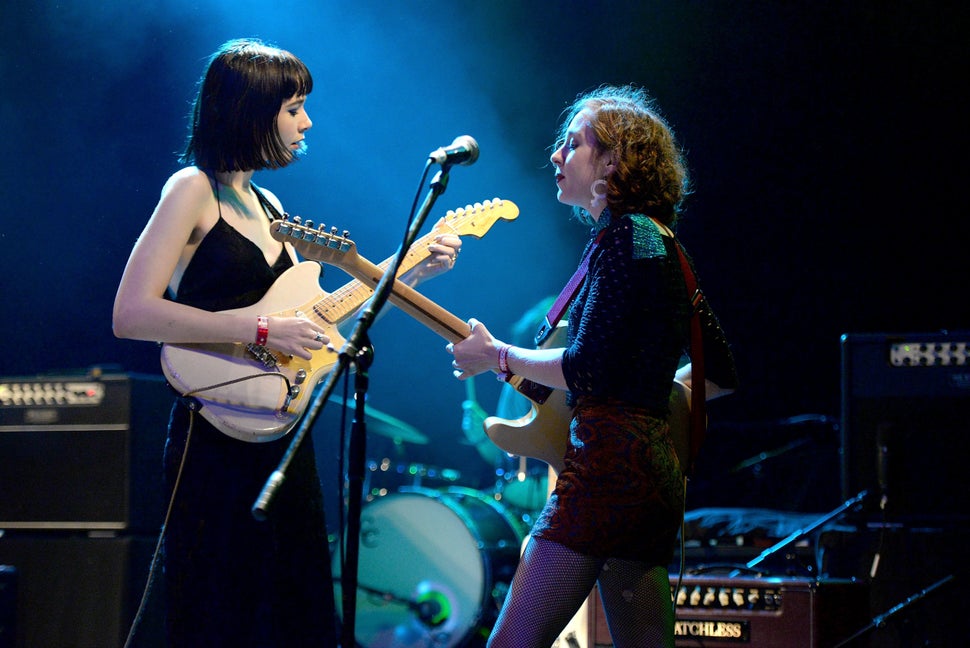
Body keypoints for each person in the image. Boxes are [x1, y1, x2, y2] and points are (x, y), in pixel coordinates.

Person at [112, 38, 462, 647]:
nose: (306, 121)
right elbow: (131, 313)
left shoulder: (270, 203)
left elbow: (317, 334)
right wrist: (259, 329)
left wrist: (413, 272)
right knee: (214, 609)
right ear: (252, 111)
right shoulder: (192, 190)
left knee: (295, 607)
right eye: (294, 107)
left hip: (280, 434)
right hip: (211, 437)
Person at [445, 84, 738, 647]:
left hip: (603, 478)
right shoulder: (662, 244)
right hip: (649, 484)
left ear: (611, 162)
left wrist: (496, 355)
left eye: (572, 143)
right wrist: (650, 398)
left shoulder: (625, 239)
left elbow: (588, 367)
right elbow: (718, 373)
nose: (556, 154)